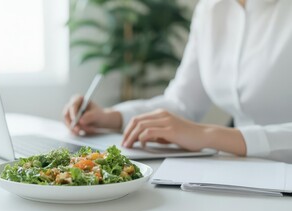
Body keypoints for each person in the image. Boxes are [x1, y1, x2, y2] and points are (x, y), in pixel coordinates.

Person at [63, 0, 292, 162]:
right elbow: (182, 104)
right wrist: (109, 117)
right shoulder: (210, 9)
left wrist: (211, 135)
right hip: (249, 175)